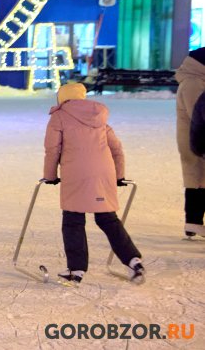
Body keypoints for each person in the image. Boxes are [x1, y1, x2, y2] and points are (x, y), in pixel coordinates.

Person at [42, 82, 145, 285]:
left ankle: (76, 269)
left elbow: (52, 149)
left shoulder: (59, 116)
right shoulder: (99, 117)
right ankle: (134, 260)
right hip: (103, 174)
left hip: (76, 174)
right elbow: (116, 148)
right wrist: (119, 176)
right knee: (108, 219)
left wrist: (50, 176)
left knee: (73, 220)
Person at [175, 48, 205, 238]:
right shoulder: (193, 82)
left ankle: (193, 222)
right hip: (195, 138)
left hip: (197, 136)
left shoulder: (197, 80)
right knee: (196, 178)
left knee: (199, 180)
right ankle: (193, 221)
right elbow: (199, 112)